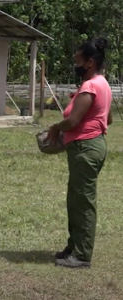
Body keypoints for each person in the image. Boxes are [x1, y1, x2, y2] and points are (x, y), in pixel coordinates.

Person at [47, 37, 113, 268]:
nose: (75, 65)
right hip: (92, 145)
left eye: (77, 61)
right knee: (76, 200)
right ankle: (73, 246)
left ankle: (82, 255)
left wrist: (55, 127)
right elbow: (109, 118)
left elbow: (73, 121)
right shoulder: (103, 83)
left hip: (86, 148)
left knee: (82, 202)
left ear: (90, 62)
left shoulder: (90, 86)